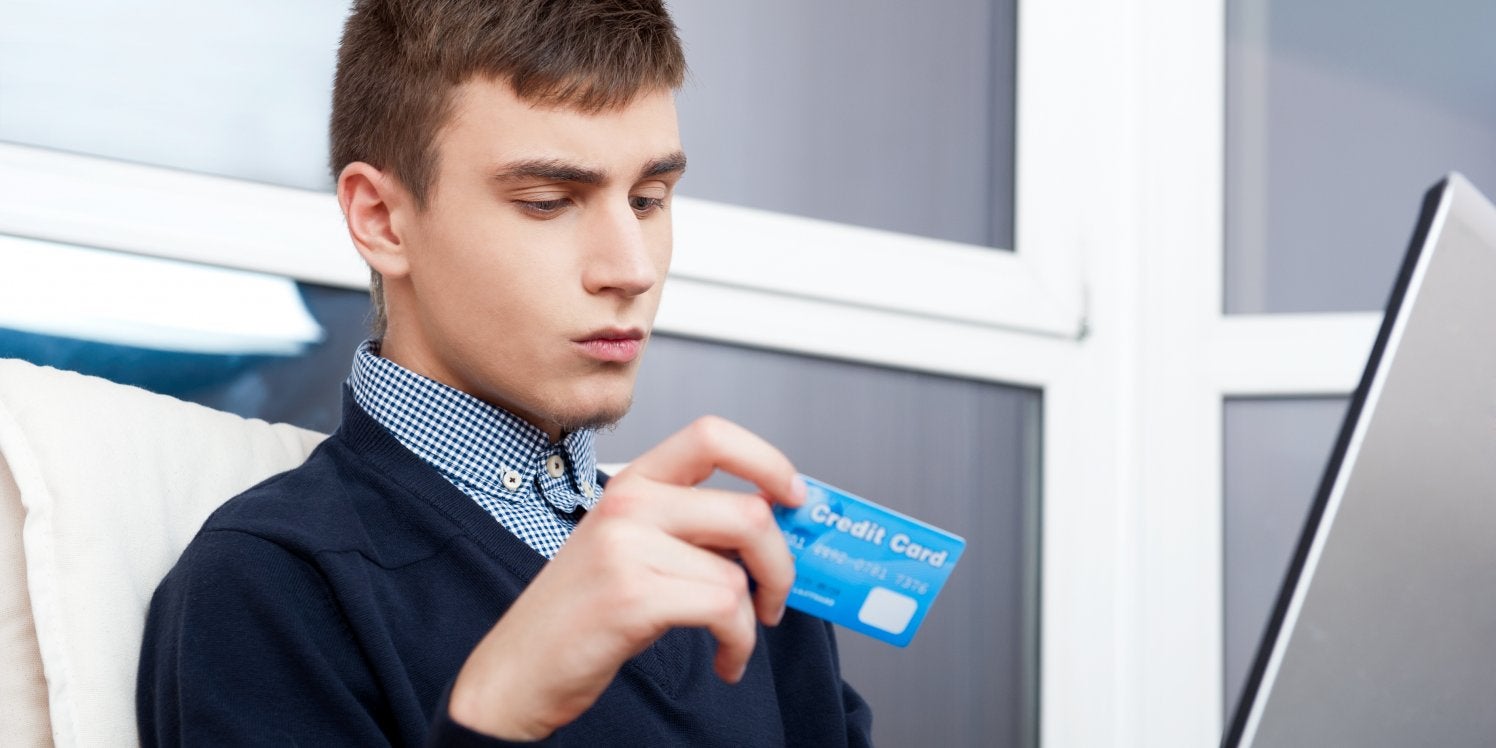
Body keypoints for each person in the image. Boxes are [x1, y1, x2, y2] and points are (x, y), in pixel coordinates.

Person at [136, 0, 873, 745]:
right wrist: (498, 710)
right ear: (382, 220)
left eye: (649, 200)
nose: (633, 268)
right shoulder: (272, 584)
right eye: (548, 203)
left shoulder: (749, 572)